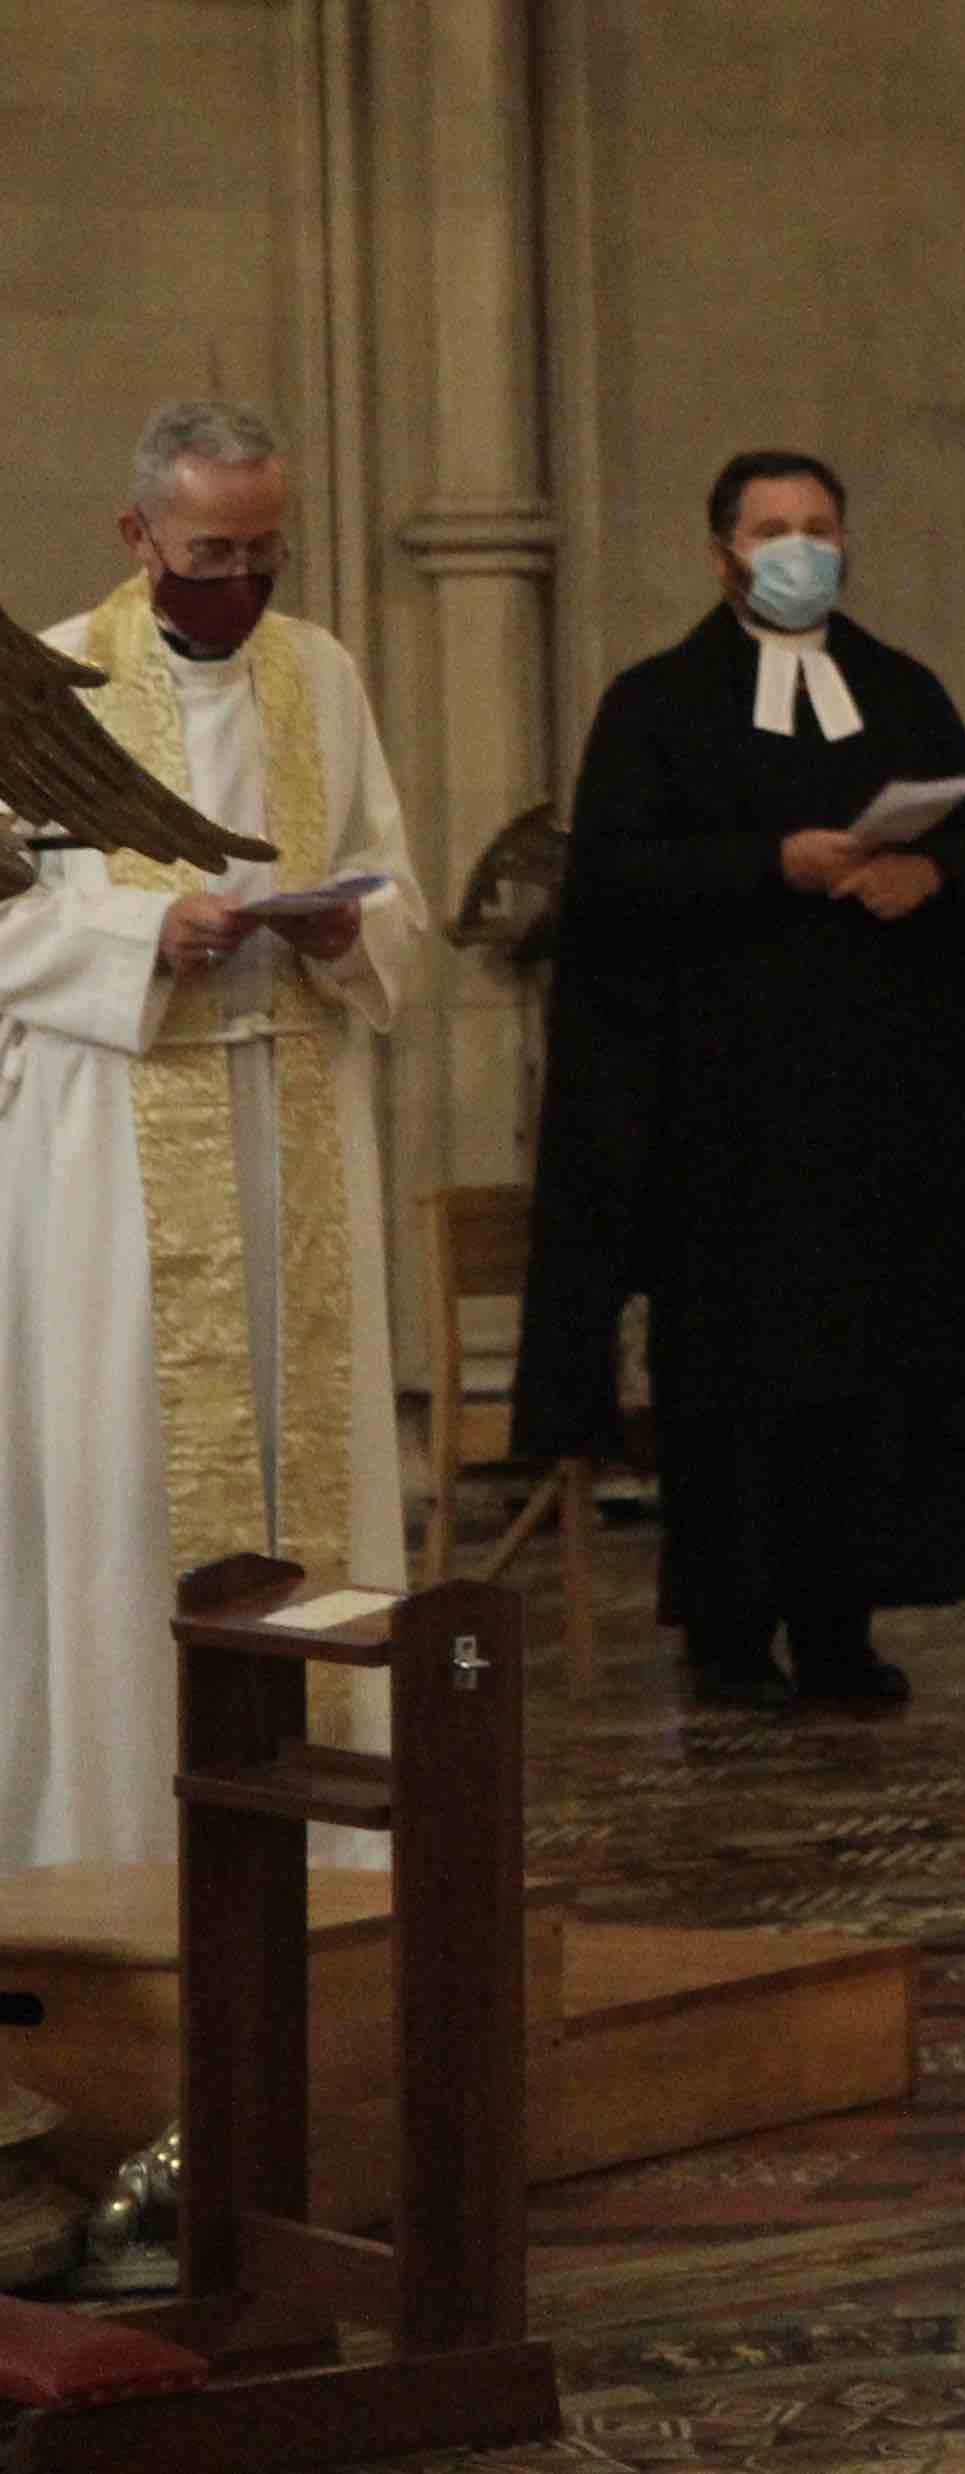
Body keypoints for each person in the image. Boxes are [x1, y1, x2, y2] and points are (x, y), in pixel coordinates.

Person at [516, 450, 965, 1714]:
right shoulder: (656, 702)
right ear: (722, 554)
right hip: (727, 1124)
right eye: (773, 530)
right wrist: (772, 863)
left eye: (819, 527)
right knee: (744, 1383)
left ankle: (844, 1626)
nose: (800, 548)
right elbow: (611, 882)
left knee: (870, 1374)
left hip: (882, 1125)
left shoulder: (902, 689)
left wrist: (933, 875)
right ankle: (733, 1629)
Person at [0, 399, 429, 1864]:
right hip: (114, 1138)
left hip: (292, 1100)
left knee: (307, 1468)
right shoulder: (47, 682)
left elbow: (395, 887)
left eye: (263, 554)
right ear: (136, 536)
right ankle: (121, 1832)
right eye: (207, 554)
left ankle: (334, 1844)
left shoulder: (322, 672)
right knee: (129, 1473)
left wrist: (332, 933)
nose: (237, 586)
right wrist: (139, 933)